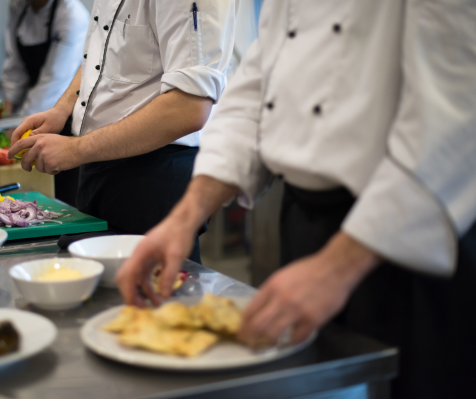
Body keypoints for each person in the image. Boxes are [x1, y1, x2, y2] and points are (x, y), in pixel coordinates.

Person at [117, 1, 476, 397]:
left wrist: (335, 269)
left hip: (409, 234)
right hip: (305, 225)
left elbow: (458, 117)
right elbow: (255, 91)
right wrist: (183, 218)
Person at [8, 0, 239, 262]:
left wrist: (76, 149)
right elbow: (102, 57)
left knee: (151, 296)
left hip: (153, 176)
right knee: (103, 294)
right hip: (100, 162)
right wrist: (63, 109)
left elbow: (188, 107)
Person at [1, 0, 89, 116]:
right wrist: (5, 116)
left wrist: (20, 123)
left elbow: (53, 80)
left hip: (62, 106)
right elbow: (15, 63)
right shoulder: (18, 5)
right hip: (35, 104)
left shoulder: (72, 15)